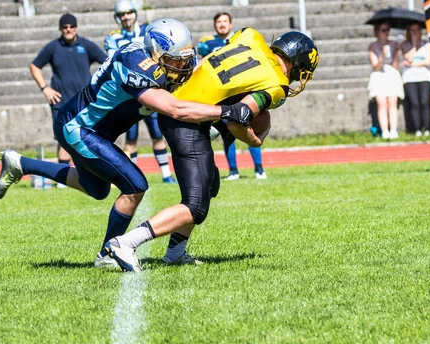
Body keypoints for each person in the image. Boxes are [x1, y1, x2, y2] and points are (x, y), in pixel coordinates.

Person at [0, 19, 252, 269]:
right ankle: (108, 252)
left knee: (96, 189)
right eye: (176, 59)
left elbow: (193, 75)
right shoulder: (135, 65)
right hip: (79, 128)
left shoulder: (154, 57)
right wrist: (225, 112)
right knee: (134, 185)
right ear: (157, 54)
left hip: (94, 130)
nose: (183, 64)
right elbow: (174, 109)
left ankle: (20, 163)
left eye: (185, 56)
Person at [103, 28, 319, 271]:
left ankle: (175, 252)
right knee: (195, 206)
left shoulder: (250, 36)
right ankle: (125, 243)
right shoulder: (277, 84)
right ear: (299, 62)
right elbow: (238, 119)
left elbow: (210, 61)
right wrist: (254, 140)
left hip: (180, 101)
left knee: (209, 185)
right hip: (187, 119)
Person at [29, 13, 107, 187]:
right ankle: (63, 179)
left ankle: (90, 173)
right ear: (60, 29)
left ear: (76, 28)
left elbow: (106, 63)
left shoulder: (86, 45)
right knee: (63, 138)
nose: (68, 30)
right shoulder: (53, 47)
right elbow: (34, 66)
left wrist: (98, 87)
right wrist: (45, 88)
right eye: (65, 27)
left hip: (84, 102)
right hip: (61, 102)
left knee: (87, 136)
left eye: (71, 26)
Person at [106, 0, 176, 183]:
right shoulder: (113, 37)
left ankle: (166, 174)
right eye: (122, 14)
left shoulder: (147, 31)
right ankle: (133, 175)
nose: (126, 17)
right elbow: (114, 61)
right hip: (129, 95)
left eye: (128, 13)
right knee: (131, 138)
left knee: (157, 134)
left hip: (150, 89)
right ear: (117, 18)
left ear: (134, 13)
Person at [198, 12, 266, 179]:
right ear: (215, 24)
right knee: (228, 131)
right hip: (221, 93)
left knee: (249, 127)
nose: (222, 24)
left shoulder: (239, 39)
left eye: (225, 21)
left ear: (230, 23)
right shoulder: (208, 43)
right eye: (219, 22)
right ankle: (233, 171)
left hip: (240, 91)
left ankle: (259, 169)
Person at [367, 22, 403, 139]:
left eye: (387, 30)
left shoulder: (394, 44)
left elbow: (395, 65)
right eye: (383, 30)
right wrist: (382, 55)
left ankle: (393, 130)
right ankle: (384, 131)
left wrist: (396, 52)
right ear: (378, 32)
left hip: (391, 74)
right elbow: (375, 66)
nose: (386, 33)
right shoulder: (372, 46)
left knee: (392, 103)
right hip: (379, 76)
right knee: (382, 104)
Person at [400, 22, 430, 137]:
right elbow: (408, 58)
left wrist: (414, 64)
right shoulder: (405, 45)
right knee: (414, 103)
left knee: (425, 102)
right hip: (410, 78)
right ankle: (416, 129)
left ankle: (428, 128)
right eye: (412, 30)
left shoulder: (426, 45)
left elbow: (428, 61)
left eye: (417, 30)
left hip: (424, 76)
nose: (415, 33)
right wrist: (414, 44)